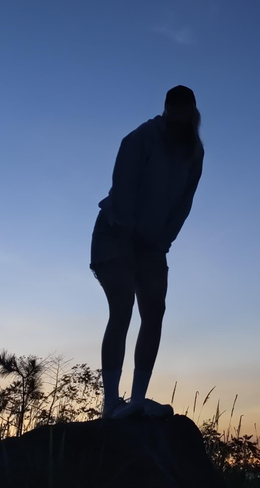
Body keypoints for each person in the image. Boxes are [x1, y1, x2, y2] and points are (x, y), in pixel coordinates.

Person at [90, 85, 204, 418]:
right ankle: (111, 403)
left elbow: (185, 200)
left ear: (193, 111)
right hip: (114, 234)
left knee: (154, 312)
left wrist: (163, 241)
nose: (180, 114)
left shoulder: (194, 151)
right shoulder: (139, 138)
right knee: (122, 307)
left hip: (153, 243)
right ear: (167, 109)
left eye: (186, 108)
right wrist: (127, 236)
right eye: (174, 108)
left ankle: (137, 401)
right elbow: (123, 188)